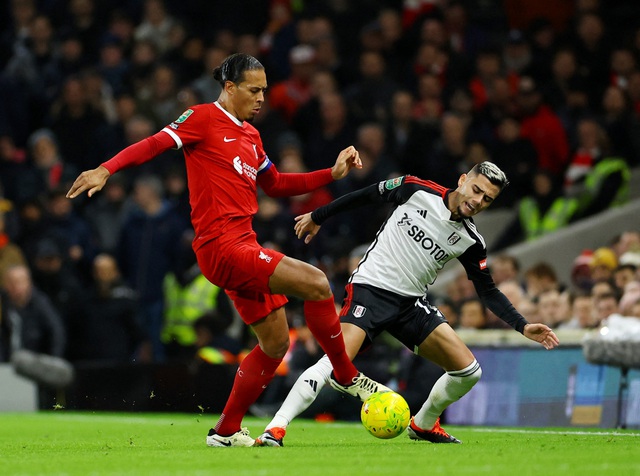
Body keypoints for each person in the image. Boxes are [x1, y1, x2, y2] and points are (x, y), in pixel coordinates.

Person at [65, 53, 388, 447]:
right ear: (229, 87)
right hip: (221, 246)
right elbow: (153, 144)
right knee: (317, 282)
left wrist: (331, 174)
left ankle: (226, 429)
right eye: (254, 90)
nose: (261, 98)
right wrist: (106, 168)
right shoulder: (201, 117)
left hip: (243, 245)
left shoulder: (252, 135)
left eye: (265, 91)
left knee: (275, 344)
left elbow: (277, 184)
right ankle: (345, 373)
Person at [255, 162, 560, 447]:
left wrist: (522, 325)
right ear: (463, 180)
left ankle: (424, 424)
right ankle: (276, 427)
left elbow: (488, 291)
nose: (478, 201)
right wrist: (317, 216)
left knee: (469, 372)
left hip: (410, 304)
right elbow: (366, 195)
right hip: (371, 290)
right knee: (333, 363)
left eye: (488, 199)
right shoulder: (416, 190)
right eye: (477, 190)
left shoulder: (471, 240)